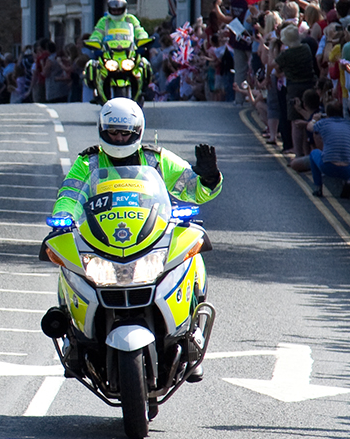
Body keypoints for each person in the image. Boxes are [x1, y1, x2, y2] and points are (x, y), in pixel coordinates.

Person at [50, 97, 222, 380]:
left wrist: (209, 177)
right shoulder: (87, 162)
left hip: (149, 238)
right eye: (113, 133)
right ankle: (74, 337)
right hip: (103, 241)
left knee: (192, 251)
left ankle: (191, 334)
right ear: (102, 130)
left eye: (125, 133)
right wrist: (63, 218)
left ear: (138, 132)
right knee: (67, 261)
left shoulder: (156, 159)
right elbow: (69, 195)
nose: (119, 139)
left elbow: (194, 190)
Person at [306, 101, 350, 198]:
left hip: (328, 166)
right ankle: (348, 182)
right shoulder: (349, 124)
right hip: (349, 169)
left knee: (314, 153)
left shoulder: (323, 123)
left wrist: (314, 119)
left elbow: (309, 127)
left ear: (327, 113)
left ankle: (318, 187)